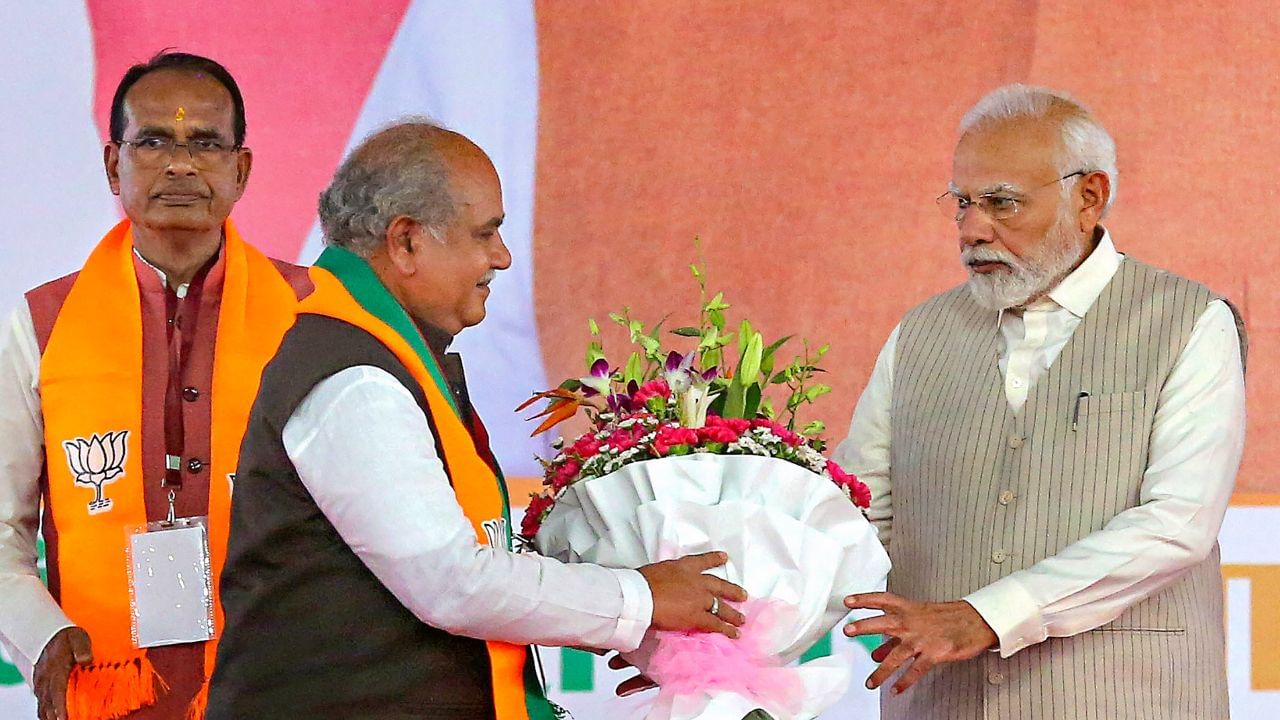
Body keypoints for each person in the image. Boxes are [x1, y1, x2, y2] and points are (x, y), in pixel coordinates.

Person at [207, 120, 747, 719]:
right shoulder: (355, 379)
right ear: (406, 242)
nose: (502, 257)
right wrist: (639, 600)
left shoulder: (380, 352)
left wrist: (632, 618)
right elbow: (451, 582)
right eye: (485, 233)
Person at [839, 84, 1245, 719]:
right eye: (963, 203)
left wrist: (986, 616)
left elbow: (1176, 525)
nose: (973, 230)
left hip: (1132, 701)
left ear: (1089, 197)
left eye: (1002, 203)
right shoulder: (918, 334)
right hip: (944, 704)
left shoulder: (1189, 322)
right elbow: (859, 512)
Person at [0, 52, 310, 720]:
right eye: (154, 142)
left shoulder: (313, 314)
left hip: (287, 680)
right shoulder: (43, 324)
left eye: (206, 143)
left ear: (241, 169)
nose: (180, 165)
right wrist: (41, 635)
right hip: (106, 686)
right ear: (114, 165)